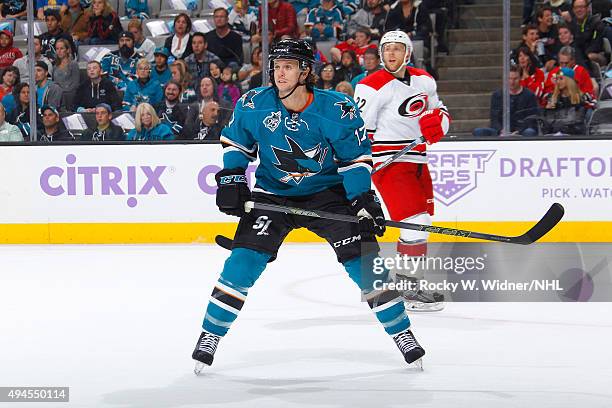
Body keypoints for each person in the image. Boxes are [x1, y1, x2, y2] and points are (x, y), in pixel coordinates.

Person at [191, 39, 426, 371]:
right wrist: (232, 177)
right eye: (276, 66)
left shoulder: (336, 108)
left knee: (366, 264)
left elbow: (355, 160)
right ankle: (210, 334)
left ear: (305, 71)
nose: (279, 73)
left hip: (329, 195)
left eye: (288, 66)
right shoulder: (254, 103)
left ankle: (402, 333)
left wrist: (362, 200)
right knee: (242, 262)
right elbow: (237, 144)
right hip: (273, 195)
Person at [354, 31, 451, 311]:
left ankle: (410, 285)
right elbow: (360, 131)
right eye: (386, 50)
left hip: (417, 161)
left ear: (407, 53)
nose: (391, 54)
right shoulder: (370, 86)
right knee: (415, 222)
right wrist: (361, 165)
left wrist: (440, 123)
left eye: (397, 49)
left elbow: (438, 110)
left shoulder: (423, 79)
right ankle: (409, 290)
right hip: (389, 163)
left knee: (421, 225)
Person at [473, 65, 539, 137]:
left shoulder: (529, 95)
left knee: (530, 132)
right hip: (501, 131)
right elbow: (494, 118)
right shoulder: (497, 95)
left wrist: (518, 132)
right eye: (509, 79)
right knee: (478, 131)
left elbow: (531, 119)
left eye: (515, 79)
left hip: (522, 131)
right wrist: (501, 130)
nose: (512, 82)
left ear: (520, 78)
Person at [541, 67, 592, 134]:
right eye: (557, 79)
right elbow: (548, 121)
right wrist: (548, 110)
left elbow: (576, 120)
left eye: (561, 78)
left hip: (573, 134)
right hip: (553, 133)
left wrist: (558, 124)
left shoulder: (581, 97)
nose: (558, 82)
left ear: (569, 80)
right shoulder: (551, 97)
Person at [52, 38, 80, 110]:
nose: (59, 51)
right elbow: (54, 82)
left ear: (67, 50)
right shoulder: (55, 66)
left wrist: (62, 92)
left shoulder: (73, 64)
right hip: (57, 95)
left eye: (62, 48)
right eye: (57, 49)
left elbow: (75, 84)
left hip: (70, 95)